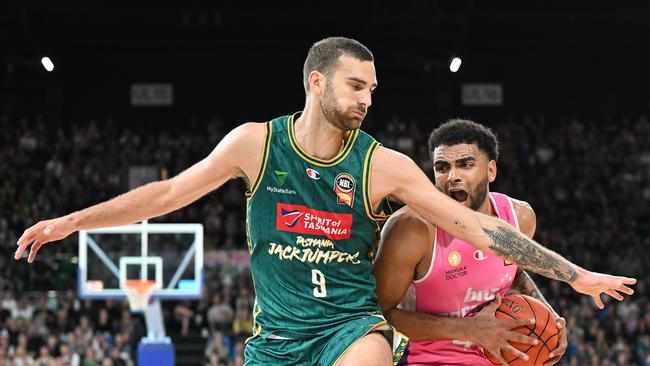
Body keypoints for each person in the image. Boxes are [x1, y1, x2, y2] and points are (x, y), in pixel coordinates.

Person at [15, 37, 635, 365]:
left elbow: (475, 228)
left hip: (352, 327)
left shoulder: (381, 163)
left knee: (368, 355)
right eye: (356, 85)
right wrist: (73, 221)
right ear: (317, 82)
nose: (368, 98)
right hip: (277, 339)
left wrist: (574, 275)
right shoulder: (255, 146)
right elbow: (167, 193)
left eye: (373, 88)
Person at [374, 119, 569, 365]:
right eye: (442, 167)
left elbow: (512, 271)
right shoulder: (411, 230)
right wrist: (469, 329)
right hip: (426, 359)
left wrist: (551, 320)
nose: (453, 176)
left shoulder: (519, 218)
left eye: (465, 165)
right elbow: (380, 313)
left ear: (491, 171)